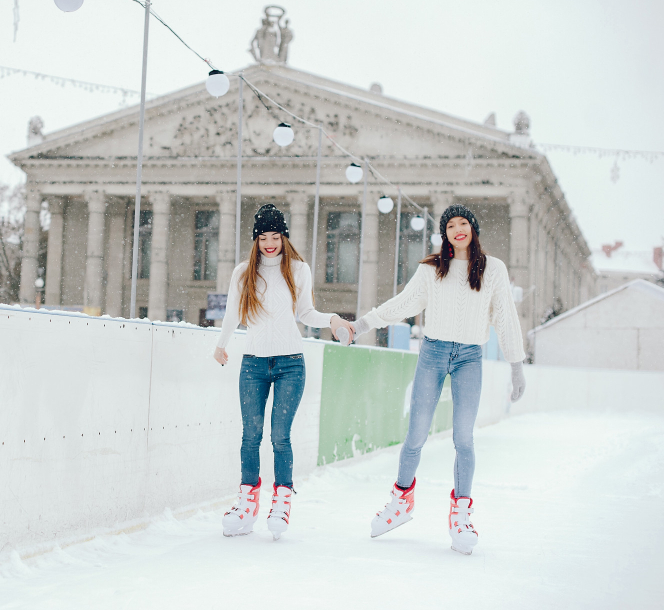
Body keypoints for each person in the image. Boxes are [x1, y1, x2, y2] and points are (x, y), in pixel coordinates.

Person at [351, 204, 527, 555]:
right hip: (432, 353)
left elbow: (505, 318)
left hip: (469, 357)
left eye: (464, 223)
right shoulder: (432, 270)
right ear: (444, 234)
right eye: (450, 225)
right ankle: (401, 501)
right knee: (416, 433)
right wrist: (363, 324)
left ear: (473, 228)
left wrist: (516, 365)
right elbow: (403, 304)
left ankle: (461, 512)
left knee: (464, 437)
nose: (457, 229)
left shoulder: (493, 269)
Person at [213, 204, 354, 540]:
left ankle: (282, 499)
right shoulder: (243, 272)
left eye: (276, 236)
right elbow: (233, 314)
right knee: (251, 434)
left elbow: (305, 312)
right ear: (256, 239)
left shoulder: (298, 269)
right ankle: (247, 502)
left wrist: (332, 318)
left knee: (280, 436)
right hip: (253, 363)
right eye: (263, 237)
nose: (270, 243)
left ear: (284, 237)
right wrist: (222, 344)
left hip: (291, 363)